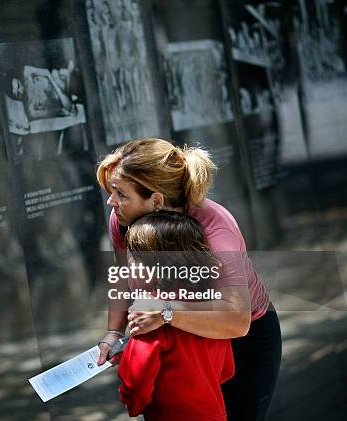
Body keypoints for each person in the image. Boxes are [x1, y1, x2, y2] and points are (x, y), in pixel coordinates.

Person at [96, 138, 282, 421]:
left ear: (156, 200)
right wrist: (113, 334)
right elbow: (122, 277)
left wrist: (166, 312)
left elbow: (237, 321)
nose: (112, 202)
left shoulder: (217, 229)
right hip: (175, 337)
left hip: (241, 338)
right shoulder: (122, 218)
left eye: (120, 193)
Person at [118, 210, 235, 420]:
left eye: (134, 257)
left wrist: (131, 402)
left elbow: (136, 380)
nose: (129, 266)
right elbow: (226, 369)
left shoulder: (149, 314)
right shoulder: (209, 305)